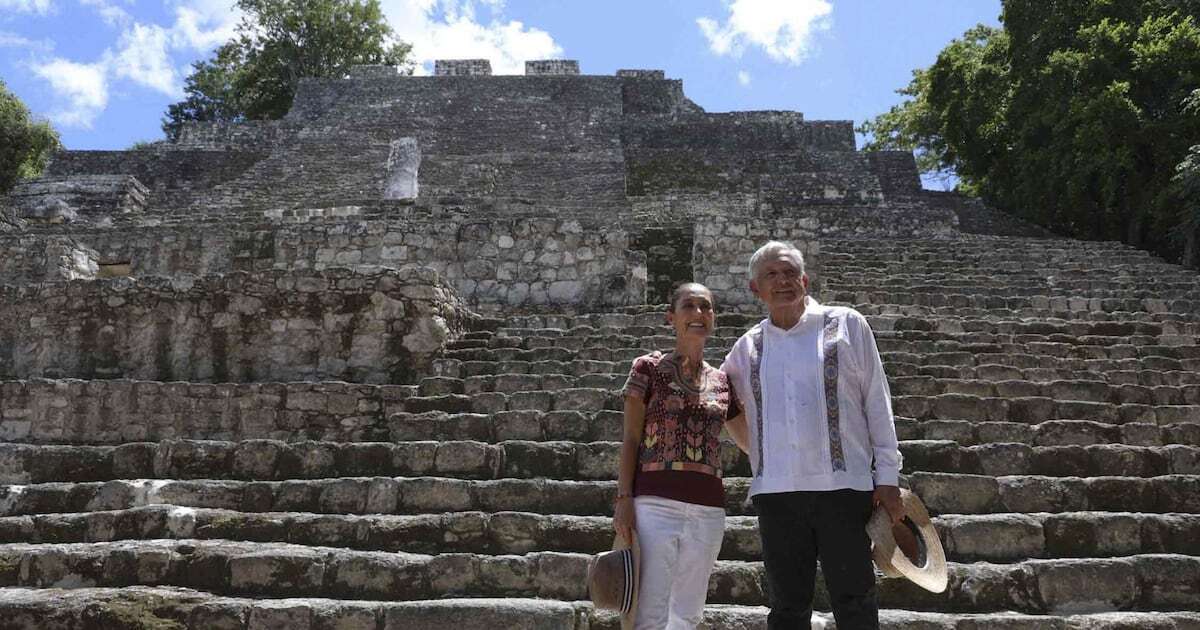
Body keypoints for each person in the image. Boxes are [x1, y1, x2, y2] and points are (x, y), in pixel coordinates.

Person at [720, 241, 903, 630]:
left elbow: (876, 399)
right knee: (787, 605)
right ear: (756, 289)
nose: (783, 281)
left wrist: (887, 477)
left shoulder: (847, 324)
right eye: (772, 274)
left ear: (804, 279)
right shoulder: (746, 347)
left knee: (855, 598)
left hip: (843, 489)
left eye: (790, 273)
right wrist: (757, 451)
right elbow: (718, 399)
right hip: (777, 495)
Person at [614, 282, 750, 630]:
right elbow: (630, 438)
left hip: (708, 509)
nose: (699, 314)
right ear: (671, 317)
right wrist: (624, 498)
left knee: (689, 612)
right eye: (689, 306)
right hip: (655, 505)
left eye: (706, 307)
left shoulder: (723, 382)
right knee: (649, 610)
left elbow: (751, 442)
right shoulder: (648, 369)